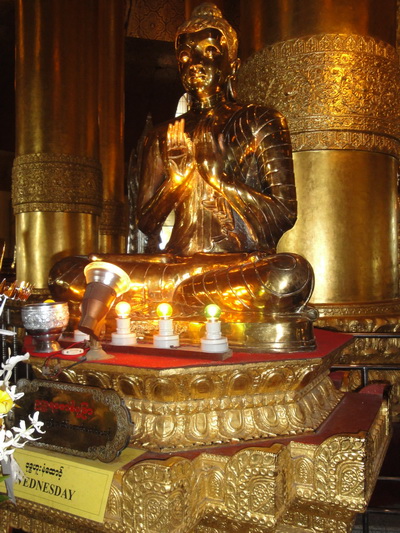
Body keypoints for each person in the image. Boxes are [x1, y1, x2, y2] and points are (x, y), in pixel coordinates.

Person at [49, 3, 314, 328]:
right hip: (175, 263)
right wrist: (176, 183)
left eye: (210, 51)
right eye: (186, 56)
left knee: (290, 274)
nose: (196, 63)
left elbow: (284, 213)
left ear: (232, 64)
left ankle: (167, 299)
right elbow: (146, 223)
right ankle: (190, 297)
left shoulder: (261, 120)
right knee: (66, 273)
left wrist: (219, 179)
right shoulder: (162, 135)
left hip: (235, 264)